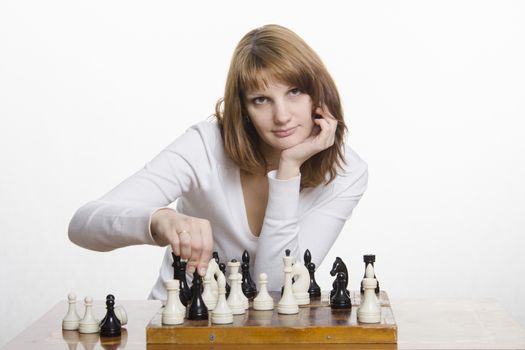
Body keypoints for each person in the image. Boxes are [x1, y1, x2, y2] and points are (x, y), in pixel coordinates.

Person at [68, 24, 368, 299]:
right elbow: (82, 225)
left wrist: (288, 169)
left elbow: (277, 288)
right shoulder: (206, 144)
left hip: (265, 338)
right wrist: (159, 220)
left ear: (318, 94)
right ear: (243, 107)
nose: (282, 116)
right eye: (261, 99)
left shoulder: (346, 172)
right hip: (178, 327)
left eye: (294, 92)